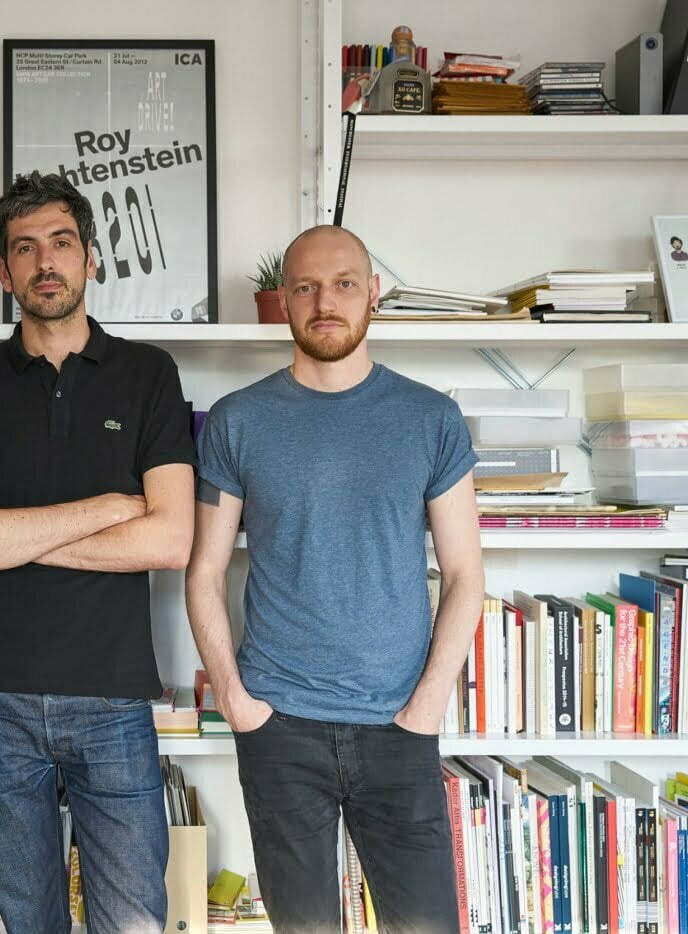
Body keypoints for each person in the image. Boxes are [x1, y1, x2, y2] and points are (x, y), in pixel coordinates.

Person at [185, 226, 485, 934]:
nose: (326, 302)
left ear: (373, 294)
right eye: (306, 287)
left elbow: (467, 573)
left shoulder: (430, 419)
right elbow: (203, 571)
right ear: (282, 301)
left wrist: (426, 710)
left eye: (345, 283)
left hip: (398, 728)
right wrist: (236, 700)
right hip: (280, 728)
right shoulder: (239, 421)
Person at [0, 171, 196, 934]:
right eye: (25, 249)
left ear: (90, 257)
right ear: (3, 270)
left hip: (112, 697)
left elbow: (171, 539)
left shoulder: (148, 374)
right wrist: (109, 510)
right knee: (28, 921)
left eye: (61, 243)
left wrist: (11, 535)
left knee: (133, 920)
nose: (45, 262)